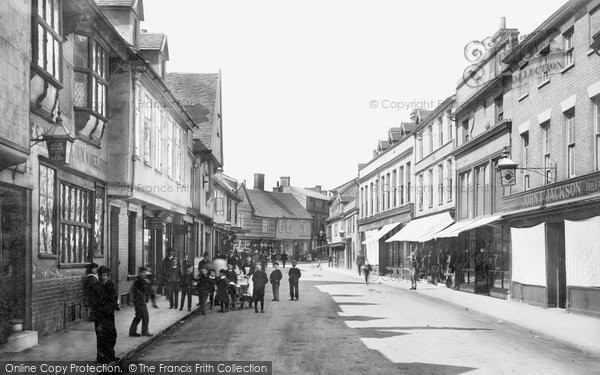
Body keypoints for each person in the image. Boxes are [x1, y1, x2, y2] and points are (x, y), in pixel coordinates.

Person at [94, 266, 119, 363]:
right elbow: (95, 301)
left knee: (112, 335)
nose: (104, 277)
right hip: (100, 315)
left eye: (106, 275)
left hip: (109, 314)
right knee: (101, 336)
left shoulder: (110, 285)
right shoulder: (97, 286)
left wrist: (113, 306)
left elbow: (114, 297)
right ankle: (101, 357)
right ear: (100, 276)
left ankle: (111, 355)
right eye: (102, 275)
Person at [129, 266, 158, 337]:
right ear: (139, 273)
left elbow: (151, 291)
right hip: (139, 301)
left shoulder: (145, 280)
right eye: (142, 273)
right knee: (145, 317)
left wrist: (153, 302)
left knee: (138, 316)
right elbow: (133, 291)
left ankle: (132, 332)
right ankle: (144, 332)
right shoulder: (138, 282)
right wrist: (131, 300)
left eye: (145, 272)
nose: (144, 274)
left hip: (142, 301)